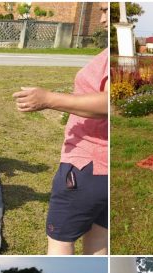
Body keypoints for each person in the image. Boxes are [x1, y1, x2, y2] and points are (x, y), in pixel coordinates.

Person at [13, 47, 109, 255]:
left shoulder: (112, 56)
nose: (103, 18)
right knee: (98, 237)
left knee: (60, 241)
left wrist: (48, 99)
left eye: (104, 11)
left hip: (85, 167)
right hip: (104, 169)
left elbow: (111, 101)